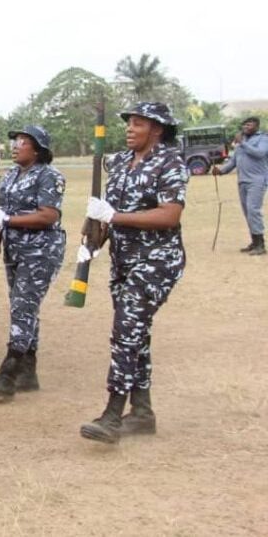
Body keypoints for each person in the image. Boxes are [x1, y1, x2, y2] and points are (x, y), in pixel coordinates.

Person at [79, 102, 188, 444]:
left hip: (157, 261)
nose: (129, 128)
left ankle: (112, 414)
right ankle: (142, 413)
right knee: (135, 335)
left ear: (156, 129)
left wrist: (115, 217)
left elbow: (169, 216)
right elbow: (106, 216)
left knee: (125, 331)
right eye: (128, 123)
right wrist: (94, 239)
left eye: (138, 123)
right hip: (123, 261)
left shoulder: (170, 162)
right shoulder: (122, 164)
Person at [0, 124, 65, 399]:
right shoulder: (10, 176)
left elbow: (48, 215)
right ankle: (29, 371)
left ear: (38, 148)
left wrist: (8, 220)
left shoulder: (49, 176)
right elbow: (0, 215)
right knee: (25, 307)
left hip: (41, 249)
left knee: (22, 306)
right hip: (16, 249)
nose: (16, 145)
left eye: (23, 141)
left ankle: (9, 372)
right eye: (15, 141)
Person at [212, 116, 268, 255]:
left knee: (253, 210)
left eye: (249, 125)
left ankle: (260, 245)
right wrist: (220, 170)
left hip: (257, 180)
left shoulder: (263, 139)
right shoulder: (241, 143)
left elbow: (260, 153)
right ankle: (254, 242)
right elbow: (233, 162)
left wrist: (242, 143)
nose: (246, 127)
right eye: (244, 125)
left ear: (256, 126)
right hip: (242, 181)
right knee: (247, 213)